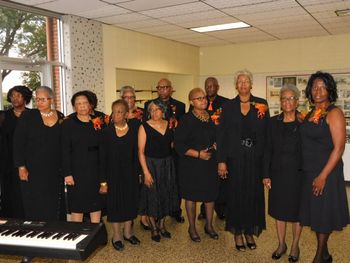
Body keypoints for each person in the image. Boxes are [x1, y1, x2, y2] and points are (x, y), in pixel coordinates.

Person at [299, 71, 349, 263]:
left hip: (326, 173)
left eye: (322, 87)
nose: (318, 90)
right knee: (318, 214)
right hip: (310, 171)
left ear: (329, 90)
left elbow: (339, 148)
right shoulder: (311, 113)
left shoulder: (334, 113)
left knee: (324, 215)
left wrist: (323, 176)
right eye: (314, 87)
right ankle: (326, 254)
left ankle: (319, 257)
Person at [217, 69, 269, 251]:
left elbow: (266, 135)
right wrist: (221, 161)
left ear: (251, 84)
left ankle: (249, 231)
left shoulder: (261, 104)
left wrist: (265, 165)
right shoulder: (228, 106)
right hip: (234, 158)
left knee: (253, 196)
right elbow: (221, 135)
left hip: (255, 157)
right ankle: (238, 233)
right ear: (236, 85)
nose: (243, 84)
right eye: (240, 81)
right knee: (235, 195)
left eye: (246, 81)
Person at [263, 84, 303, 262]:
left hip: (298, 175)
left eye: (291, 98)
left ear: (297, 101)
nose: (287, 102)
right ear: (280, 102)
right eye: (284, 99)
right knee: (279, 211)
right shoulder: (272, 123)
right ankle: (281, 244)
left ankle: (295, 245)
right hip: (277, 174)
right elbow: (267, 150)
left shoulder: (305, 123)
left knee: (297, 213)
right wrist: (265, 174)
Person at [13, 86, 65, 221]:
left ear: (51, 100)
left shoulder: (60, 116)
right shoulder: (28, 116)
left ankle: (53, 232)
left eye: (42, 99)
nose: (39, 102)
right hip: (32, 169)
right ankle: (36, 232)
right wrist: (21, 166)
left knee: (53, 202)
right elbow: (18, 143)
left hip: (54, 169)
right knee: (34, 203)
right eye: (37, 99)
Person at [175, 88, 219, 242]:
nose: (204, 100)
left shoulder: (211, 117)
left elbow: (216, 136)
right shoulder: (186, 119)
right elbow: (179, 145)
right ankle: (192, 227)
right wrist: (198, 154)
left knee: (210, 195)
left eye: (204, 97)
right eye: (199, 98)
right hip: (191, 165)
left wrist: (216, 144)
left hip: (209, 164)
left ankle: (209, 225)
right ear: (192, 102)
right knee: (191, 197)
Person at [100, 100, 140, 251]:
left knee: (130, 202)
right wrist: (103, 182)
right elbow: (102, 159)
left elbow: (137, 154)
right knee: (115, 204)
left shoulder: (134, 129)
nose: (115, 115)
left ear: (125, 114)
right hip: (113, 175)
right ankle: (116, 235)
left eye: (119, 112)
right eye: (114, 111)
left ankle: (128, 233)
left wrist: (139, 174)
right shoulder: (106, 132)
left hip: (130, 173)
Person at [143, 78, 186, 223]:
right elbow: (146, 126)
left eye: (165, 87)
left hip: (173, 152)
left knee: (174, 182)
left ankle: (175, 210)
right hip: (154, 152)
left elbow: (181, 130)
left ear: (171, 88)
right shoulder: (149, 105)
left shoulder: (180, 105)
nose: (162, 90)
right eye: (160, 87)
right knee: (156, 185)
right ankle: (155, 212)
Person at [62, 91, 107, 223]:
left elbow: (102, 147)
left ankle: (94, 237)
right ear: (74, 107)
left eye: (85, 103)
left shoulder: (97, 122)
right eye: (78, 104)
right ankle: (77, 237)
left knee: (96, 204)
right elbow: (64, 150)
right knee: (78, 206)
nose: (82, 106)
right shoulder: (68, 123)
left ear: (90, 105)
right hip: (76, 172)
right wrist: (67, 173)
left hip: (95, 171)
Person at [138, 100, 179, 242]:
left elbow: (173, 144)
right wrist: (146, 172)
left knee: (165, 194)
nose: (154, 112)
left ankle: (162, 225)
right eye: (151, 110)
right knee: (151, 196)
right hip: (151, 165)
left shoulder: (170, 125)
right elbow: (140, 151)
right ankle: (154, 228)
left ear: (163, 111)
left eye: (157, 109)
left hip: (167, 164)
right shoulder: (144, 126)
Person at [198, 77, 229, 220]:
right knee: (205, 179)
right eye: (207, 86)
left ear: (217, 87)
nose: (209, 88)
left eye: (212, 86)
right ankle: (204, 210)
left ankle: (221, 209)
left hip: (220, 146)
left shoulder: (226, 103)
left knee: (221, 180)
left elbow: (229, 126)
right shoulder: (199, 102)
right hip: (204, 149)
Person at [120, 86, 149, 230]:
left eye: (132, 97)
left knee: (143, 187)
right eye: (126, 97)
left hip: (142, 155)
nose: (129, 100)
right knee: (128, 188)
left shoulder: (143, 114)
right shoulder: (117, 115)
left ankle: (144, 217)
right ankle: (129, 217)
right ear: (122, 99)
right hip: (124, 158)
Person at [0, 86, 32, 219]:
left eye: (18, 95)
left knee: (27, 193)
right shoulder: (3, 116)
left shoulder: (33, 115)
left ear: (25, 97)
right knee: (10, 194)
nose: (15, 98)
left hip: (29, 161)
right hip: (7, 162)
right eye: (12, 96)